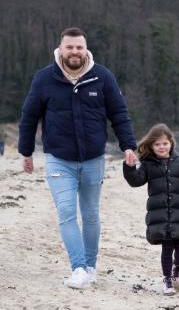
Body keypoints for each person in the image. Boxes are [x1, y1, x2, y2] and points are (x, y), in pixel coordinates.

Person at [18, 27, 137, 289]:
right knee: (67, 212)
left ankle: (91, 266)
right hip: (59, 159)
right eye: (69, 47)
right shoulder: (44, 78)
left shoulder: (102, 77)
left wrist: (128, 146)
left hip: (94, 159)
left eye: (79, 47)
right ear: (60, 49)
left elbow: (119, 113)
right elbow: (29, 117)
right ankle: (79, 268)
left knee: (91, 214)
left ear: (86, 49)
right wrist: (26, 152)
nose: (74, 52)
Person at [123, 123, 179, 295]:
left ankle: (177, 269)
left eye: (164, 143)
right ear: (152, 146)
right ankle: (167, 280)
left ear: (171, 143)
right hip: (160, 214)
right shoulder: (148, 165)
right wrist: (129, 167)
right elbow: (135, 181)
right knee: (167, 249)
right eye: (157, 144)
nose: (161, 147)